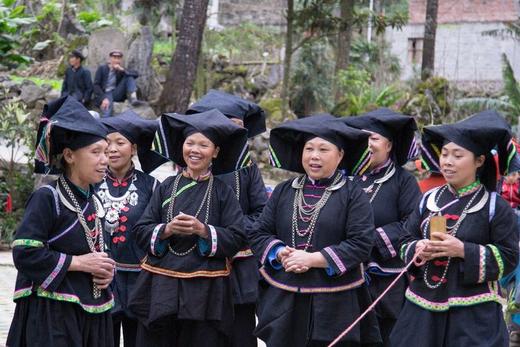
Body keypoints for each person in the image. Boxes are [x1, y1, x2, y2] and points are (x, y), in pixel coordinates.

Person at [250, 114, 381, 346]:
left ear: (340, 155)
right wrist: (281, 253)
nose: (314, 156)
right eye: (309, 148)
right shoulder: (283, 191)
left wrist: (312, 259)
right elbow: (260, 233)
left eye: (323, 149)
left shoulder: (353, 194)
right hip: (285, 294)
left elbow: (361, 242)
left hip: (336, 301)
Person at [391, 110, 520, 347]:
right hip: (421, 309)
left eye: (457, 155)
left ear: (479, 161)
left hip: (473, 315)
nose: (447, 162)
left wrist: (463, 250)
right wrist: (418, 248)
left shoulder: (495, 206)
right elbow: (404, 240)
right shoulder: (428, 199)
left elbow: (510, 258)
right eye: (445, 154)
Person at [128, 109, 248, 346]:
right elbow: (141, 229)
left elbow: (238, 236)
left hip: (206, 286)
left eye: (203, 145)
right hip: (162, 283)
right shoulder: (166, 186)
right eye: (189, 143)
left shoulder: (223, 192)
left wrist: (203, 231)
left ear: (215, 152)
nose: (194, 150)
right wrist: (168, 229)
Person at [7, 96, 115, 347]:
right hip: (52, 315)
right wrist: (78, 263)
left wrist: (107, 271)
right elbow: (25, 252)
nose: (104, 161)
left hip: (94, 310)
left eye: (106, 153)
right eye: (96, 152)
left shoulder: (95, 200)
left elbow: (98, 251)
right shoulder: (48, 197)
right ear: (69, 155)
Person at [187, 90, 268, 347]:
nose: (237, 135)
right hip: (197, 265)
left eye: (240, 129)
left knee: (240, 334)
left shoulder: (247, 167)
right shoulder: (189, 168)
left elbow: (261, 214)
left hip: (239, 268)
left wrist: (226, 233)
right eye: (229, 127)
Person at [340, 108, 422, 345]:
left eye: (374, 138)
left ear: (389, 146)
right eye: (362, 138)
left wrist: (367, 239)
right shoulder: (345, 178)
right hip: (345, 273)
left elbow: (412, 223)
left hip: (386, 279)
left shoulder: (403, 181)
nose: (367, 144)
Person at [97, 110, 165, 347]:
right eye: (107, 143)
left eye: (120, 142)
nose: (112, 149)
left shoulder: (152, 185)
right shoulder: (91, 182)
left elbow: (159, 229)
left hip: (141, 278)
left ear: (134, 148)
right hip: (101, 278)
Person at [93, 50, 142, 118]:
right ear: (110, 59)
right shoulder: (102, 68)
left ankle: (133, 98)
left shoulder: (120, 70)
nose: (116, 60)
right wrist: (103, 98)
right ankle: (105, 125)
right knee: (107, 112)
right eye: (114, 57)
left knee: (129, 76)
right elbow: (96, 85)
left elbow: (136, 74)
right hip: (106, 93)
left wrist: (122, 70)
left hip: (116, 92)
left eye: (118, 58)